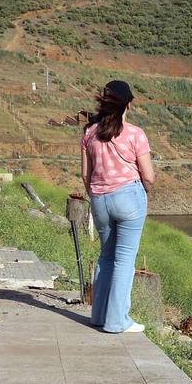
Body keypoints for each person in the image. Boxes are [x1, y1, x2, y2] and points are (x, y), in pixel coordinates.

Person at [81, 79, 155, 333]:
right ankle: (117, 321)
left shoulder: (89, 132)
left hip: (99, 199)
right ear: (129, 104)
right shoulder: (135, 133)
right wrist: (143, 191)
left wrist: (97, 194)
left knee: (106, 256)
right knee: (124, 261)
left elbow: (85, 174)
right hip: (129, 197)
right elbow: (149, 176)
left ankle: (99, 316)